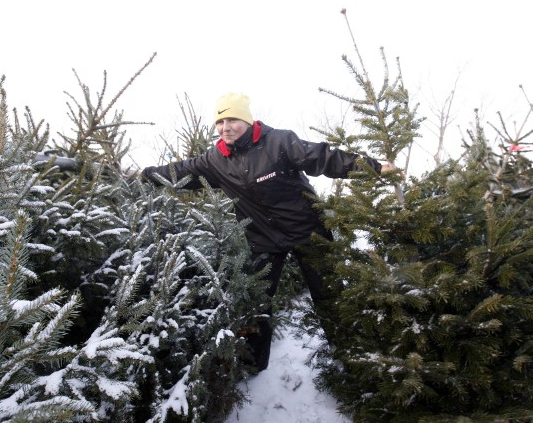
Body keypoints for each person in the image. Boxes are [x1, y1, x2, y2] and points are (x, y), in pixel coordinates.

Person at [142, 92, 394, 372]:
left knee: (328, 294)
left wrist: (373, 168)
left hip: (308, 231)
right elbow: (180, 171)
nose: (226, 127)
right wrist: (143, 174)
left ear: (247, 121)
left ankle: (349, 352)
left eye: (232, 119)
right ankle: (252, 364)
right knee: (256, 302)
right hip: (262, 239)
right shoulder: (215, 160)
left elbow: (321, 158)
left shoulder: (279, 142)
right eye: (220, 121)